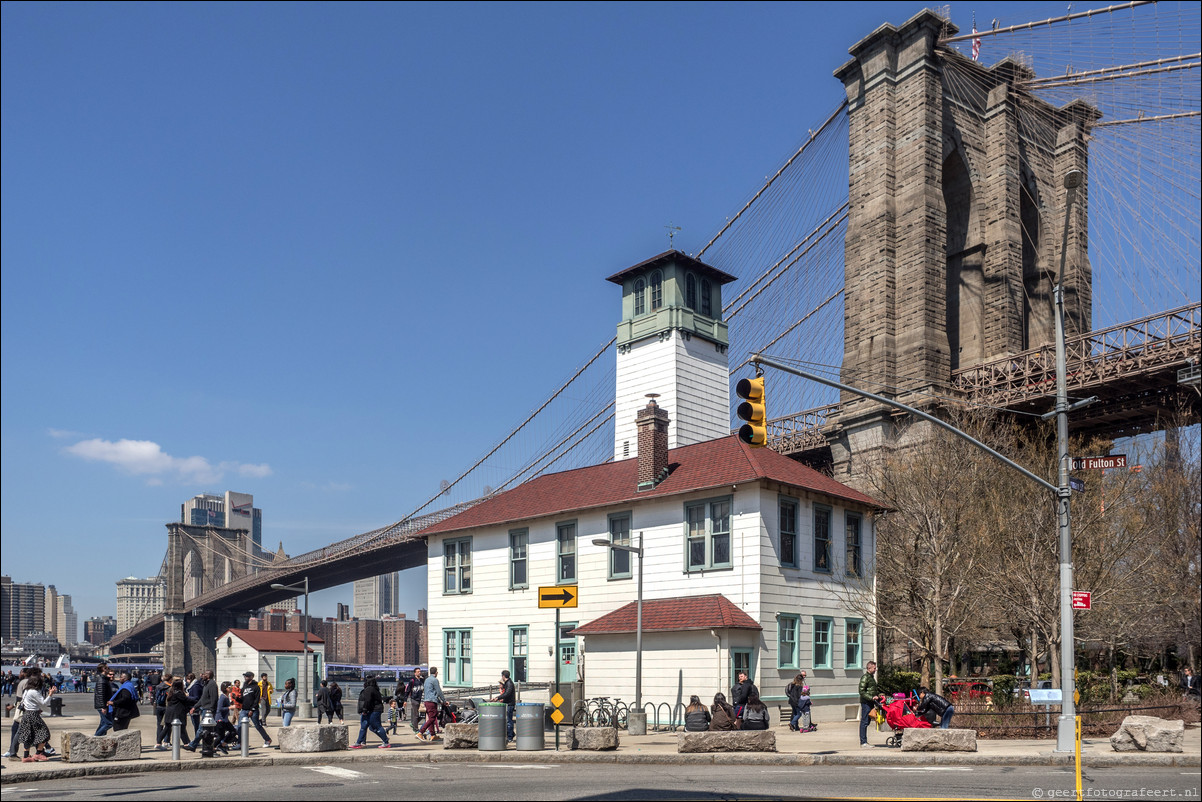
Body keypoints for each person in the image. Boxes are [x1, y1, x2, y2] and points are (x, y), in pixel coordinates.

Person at [16, 674, 55, 763]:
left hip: (26, 714)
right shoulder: (34, 692)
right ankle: (38, 753)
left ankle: (26, 756)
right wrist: (50, 694)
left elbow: (27, 702)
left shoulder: (26, 690)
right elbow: (43, 703)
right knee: (45, 733)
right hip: (33, 715)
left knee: (27, 735)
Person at [182, 671, 218, 752]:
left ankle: (193, 745)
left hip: (208, 710)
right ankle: (195, 745)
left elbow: (214, 698)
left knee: (201, 729)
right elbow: (202, 699)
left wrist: (211, 710)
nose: (202, 675)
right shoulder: (206, 684)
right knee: (202, 729)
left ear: (209, 676)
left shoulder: (212, 684)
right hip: (204, 709)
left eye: (205, 674)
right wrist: (194, 707)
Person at [351, 677, 391, 749]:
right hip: (374, 709)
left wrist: (364, 710)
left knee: (376, 726)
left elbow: (367, 700)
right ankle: (359, 742)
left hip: (373, 710)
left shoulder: (368, 689)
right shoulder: (375, 689)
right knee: (364, 726)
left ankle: (386, 741)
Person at [237, 671, 273, 748]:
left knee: (257, 725)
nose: (245, 678)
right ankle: (240, 743)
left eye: (247, 676)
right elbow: (243, 699)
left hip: (253, 710)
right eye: (245, 676)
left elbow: (256, 700)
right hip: (244, 709)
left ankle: (267, 739)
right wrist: (236, 698)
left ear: (251, 677)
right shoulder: (244, 686)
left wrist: (252, 710)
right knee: (240, 726)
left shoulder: (256, 687)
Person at [157, 677, 191, 750]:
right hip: (176, 713)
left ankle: (158, 743)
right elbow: (186, 700)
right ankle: (186, 744)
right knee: (181, 728)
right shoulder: (179, 693)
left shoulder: (171, 691)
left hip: (169, 712)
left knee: (166, 728)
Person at [417, 667, 445, 741]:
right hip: (432, 701)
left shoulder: (427, 680)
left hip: (426, 701)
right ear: (436, 673)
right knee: (432, 718)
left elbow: (430, 692)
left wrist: (440, 701)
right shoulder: (435, 680)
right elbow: (438, 692)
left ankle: (433, 735)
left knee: (431, 718)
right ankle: (420, 732)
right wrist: (444, 701)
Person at [489, 669, 517, 743]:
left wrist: (498, 698)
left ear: (503, 676)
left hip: (509, 704)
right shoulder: (508, 683)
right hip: (507, 703)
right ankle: (511, 734)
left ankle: (510, 737)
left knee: (509, 721)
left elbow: (507, 694)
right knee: (507, 720)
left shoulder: (509, 683)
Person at [858, 661, 878, 748]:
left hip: (870, 702)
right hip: (866, 702)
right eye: (874, 668)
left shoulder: (871, 677)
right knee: (864, 721)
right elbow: (861, 691)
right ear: (869, 668)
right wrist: (871, 697)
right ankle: (863, 742)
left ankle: (864, 741)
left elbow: (872, 689)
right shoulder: (865, 677)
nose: (875, 669)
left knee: (868, 721)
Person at [152, 673, 174, 748]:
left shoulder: (158, 686)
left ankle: (158, 741)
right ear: (170, 679)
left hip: (158, 707)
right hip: (166, 707)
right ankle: (166, 741)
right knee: (168, 724)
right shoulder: (170, 687)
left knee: (159, 725)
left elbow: (155, 696)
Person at [93, 662, 114, 736]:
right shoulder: (101, 680)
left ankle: (99, 738)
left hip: (105, 705)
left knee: (103, 723)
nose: (108, 669)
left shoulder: (104, 679)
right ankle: (96, 737)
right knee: (109, 723)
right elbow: (101, 694)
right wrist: (103, 707)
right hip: (103, 705)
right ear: (103, 669)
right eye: (107, 668)